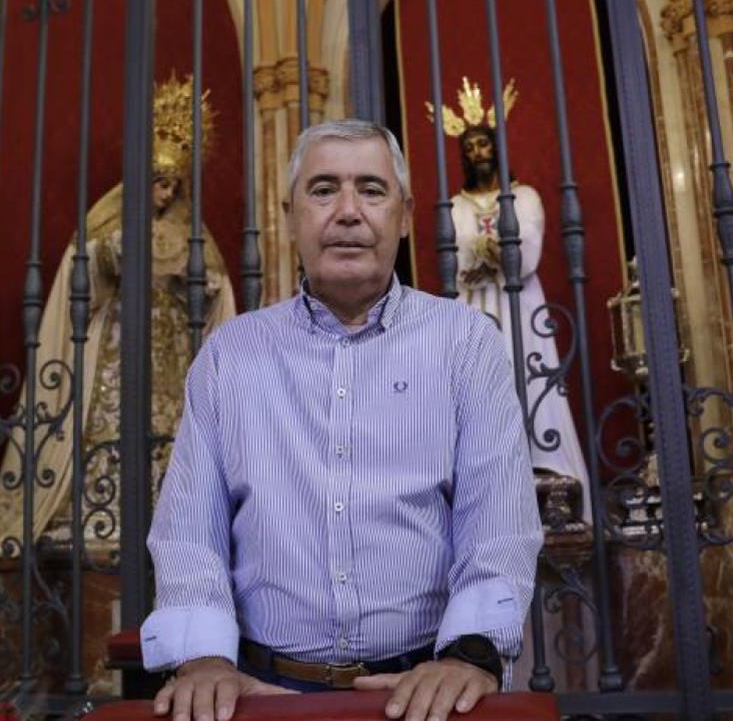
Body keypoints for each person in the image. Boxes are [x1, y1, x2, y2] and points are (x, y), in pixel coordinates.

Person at [140, 119, 542, 721]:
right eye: (324, 189)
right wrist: (202, 659)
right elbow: (189, 533)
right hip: (259, 696)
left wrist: (469, 656)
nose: (348, 211)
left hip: (423, 690)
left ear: (404, 216)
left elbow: (498, 523)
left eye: (372, 190)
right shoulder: (229, 357)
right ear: (291, 214)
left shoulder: (466, 346)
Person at [0, 74, 235, 559]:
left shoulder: (191, 234)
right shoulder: (107, 224)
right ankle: (94, 516)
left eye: (172, 186)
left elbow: (214, 303)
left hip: (170, 356)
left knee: (171, 431)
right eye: (159, 183)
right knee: (109, 425)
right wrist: (113, 259)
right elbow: (81, 280)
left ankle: (174, 521)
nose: (164, 196)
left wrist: (200, 289)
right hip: (116, 348)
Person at [430, 77, 589, 514]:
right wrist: (492, 251)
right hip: (475, 305)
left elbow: (527, 243)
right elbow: (456, 255)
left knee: (529, 375)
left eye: (483, 144)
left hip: (520, 305)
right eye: (470, 147)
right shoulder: (455, 205)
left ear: (495, 146)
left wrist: (492, 253)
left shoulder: (525, 196)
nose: (477, 153)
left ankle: (546, 467)